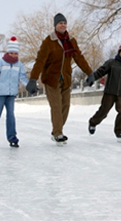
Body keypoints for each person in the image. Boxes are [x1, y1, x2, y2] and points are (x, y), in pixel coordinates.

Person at [26, 13, 95, 145]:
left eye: (64, 22)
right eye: (60, 23)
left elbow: (79, 58)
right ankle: (58, 133)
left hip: (66, 79)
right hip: (52, 79)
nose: (62, 25)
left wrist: (89, 73)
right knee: (56, 106)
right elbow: (40, 61)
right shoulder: (49, 41)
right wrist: (33, 79)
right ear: (55, 25)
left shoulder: (71, 40)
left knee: (66, 106)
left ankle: (56, 131)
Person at [0, 36, 29, 148]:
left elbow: (23, 78)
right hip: (0, 94)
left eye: (15, 53)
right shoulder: (0, 63)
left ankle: (12, 137)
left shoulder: (19, 65)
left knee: (11, 115)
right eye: (11, 52)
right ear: (7, 52)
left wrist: (29, 86)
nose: (13, 55)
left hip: (11, 94)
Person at [88, 42, 121, 143]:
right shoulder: (111, 63)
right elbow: (101, 71)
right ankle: (92, 123)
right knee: (104, 111)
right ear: (119, 52)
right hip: (110, 91)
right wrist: (93, 77)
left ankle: (120, 131)